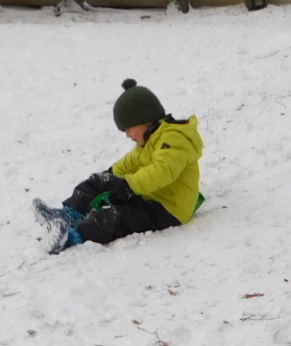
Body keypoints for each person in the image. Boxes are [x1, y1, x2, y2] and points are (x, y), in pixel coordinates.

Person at [32, 79, 203, 254]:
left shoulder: (174, 140)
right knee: (99, 181)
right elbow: (129, 162)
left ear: (144, 120)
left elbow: (161, 172)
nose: (127, 135)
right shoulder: (150, 140)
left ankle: (71, 235)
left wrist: (127, 186)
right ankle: (68, 214)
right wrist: (109, 177)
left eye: (128, 129)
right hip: (148, 196)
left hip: (168, 209)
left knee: (117, 217)